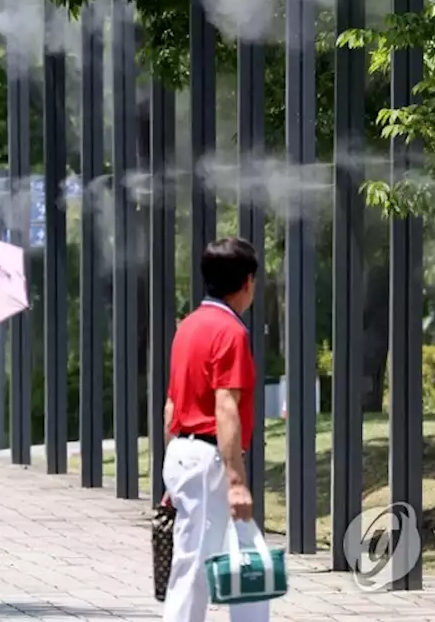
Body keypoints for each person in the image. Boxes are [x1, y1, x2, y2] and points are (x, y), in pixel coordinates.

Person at [162, 236, 267, 622]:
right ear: (247, 282)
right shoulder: (231, 332)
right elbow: (226, 408)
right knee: (197, 566)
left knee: (237, 555)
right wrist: (237, 481)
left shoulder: (188, 327)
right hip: (207, 457)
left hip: (183, 453)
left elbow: (171, 404)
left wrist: (172, 471)